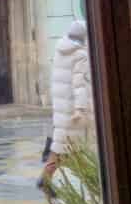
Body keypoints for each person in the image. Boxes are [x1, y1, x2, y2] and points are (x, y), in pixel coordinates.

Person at [38, 19, 93, 192]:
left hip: (62, 111)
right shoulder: (80, 54)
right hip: (73, 112)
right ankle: (94, 186)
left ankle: (45, 180)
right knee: (79, 150)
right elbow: (79, 85)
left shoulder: (61, 50)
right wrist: (80, 109)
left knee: (61, 150)